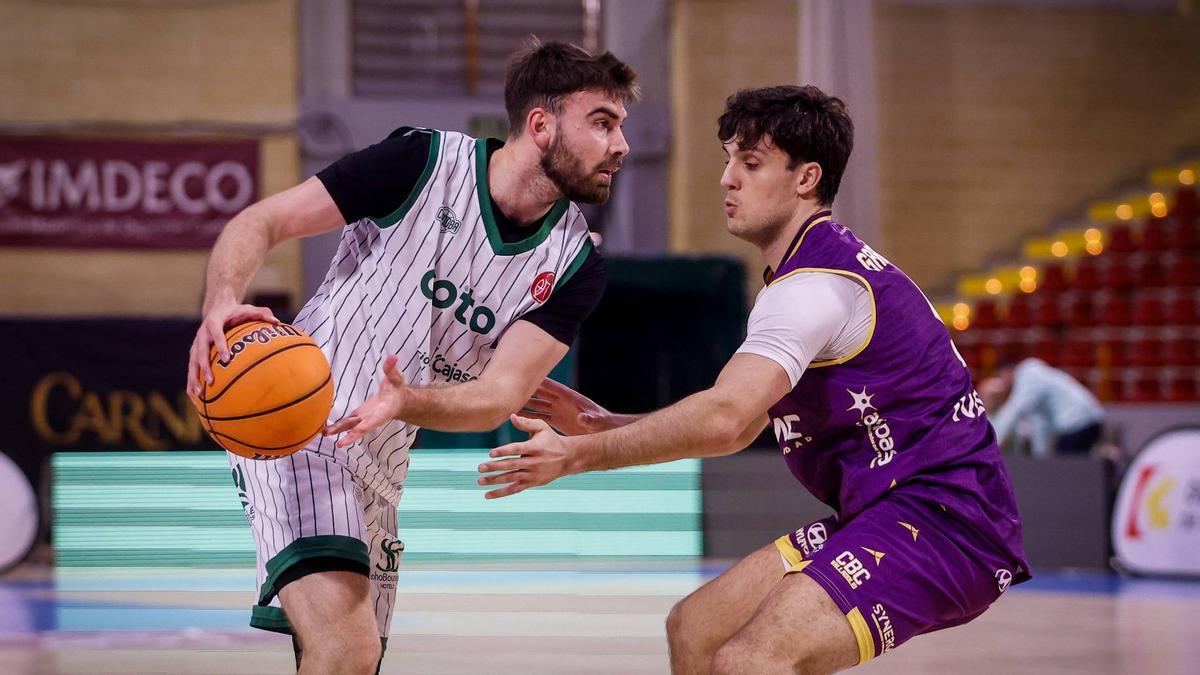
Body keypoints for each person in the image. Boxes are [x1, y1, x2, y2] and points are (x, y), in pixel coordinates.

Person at [479, 85, 1030, 674]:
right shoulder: (810, 275)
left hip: (946, 523)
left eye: (751, 163)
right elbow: (743, 426)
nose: (727, 179)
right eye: (728, 160)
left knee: (752, 659)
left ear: (806, 178)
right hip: (888, 510)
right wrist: (601, 425)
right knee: (696, 628)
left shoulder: (811, 289)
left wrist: (575, 456)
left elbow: (723, 418)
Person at [185, 41, 638, 674]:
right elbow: (262, 221)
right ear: (541, 125)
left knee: (352, 662)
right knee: (347, 651)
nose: (621, 146)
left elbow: (498, 397)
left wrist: (406, 401)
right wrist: (221, 303)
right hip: (301, 428)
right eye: (603, 123)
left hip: (383, 467)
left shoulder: (575, 266)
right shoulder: (419, 163)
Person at [981, 358, 1106, 457]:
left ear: (1007, 372)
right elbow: (1040, 423)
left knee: (1065, 469)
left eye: (1001, 377)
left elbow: (1014, 410)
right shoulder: (1037, 380)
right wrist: (1040, 458)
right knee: (1066, 467)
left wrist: (992, 443)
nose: (1004, 384)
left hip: (1079, 422)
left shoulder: (1028, 375)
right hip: (1088, 420)